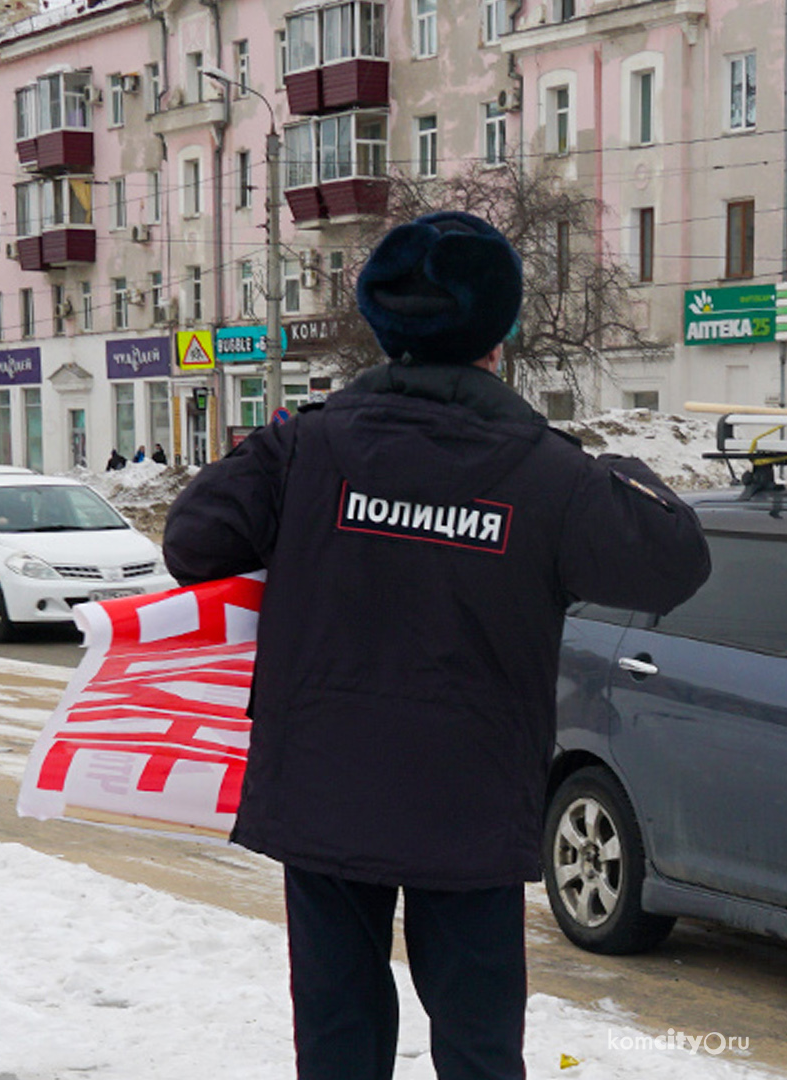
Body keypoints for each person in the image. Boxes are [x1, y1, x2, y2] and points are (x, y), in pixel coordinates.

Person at [161, 211, 710, 1080]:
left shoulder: (304, 448)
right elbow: (675, 559)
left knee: (337, 1043)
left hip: (325, 791)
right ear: (499, 335)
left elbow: (192, 540)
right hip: (468, 806)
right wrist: (611, 466)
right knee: (480, 1047)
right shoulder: (548, 473)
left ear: (382, 325)